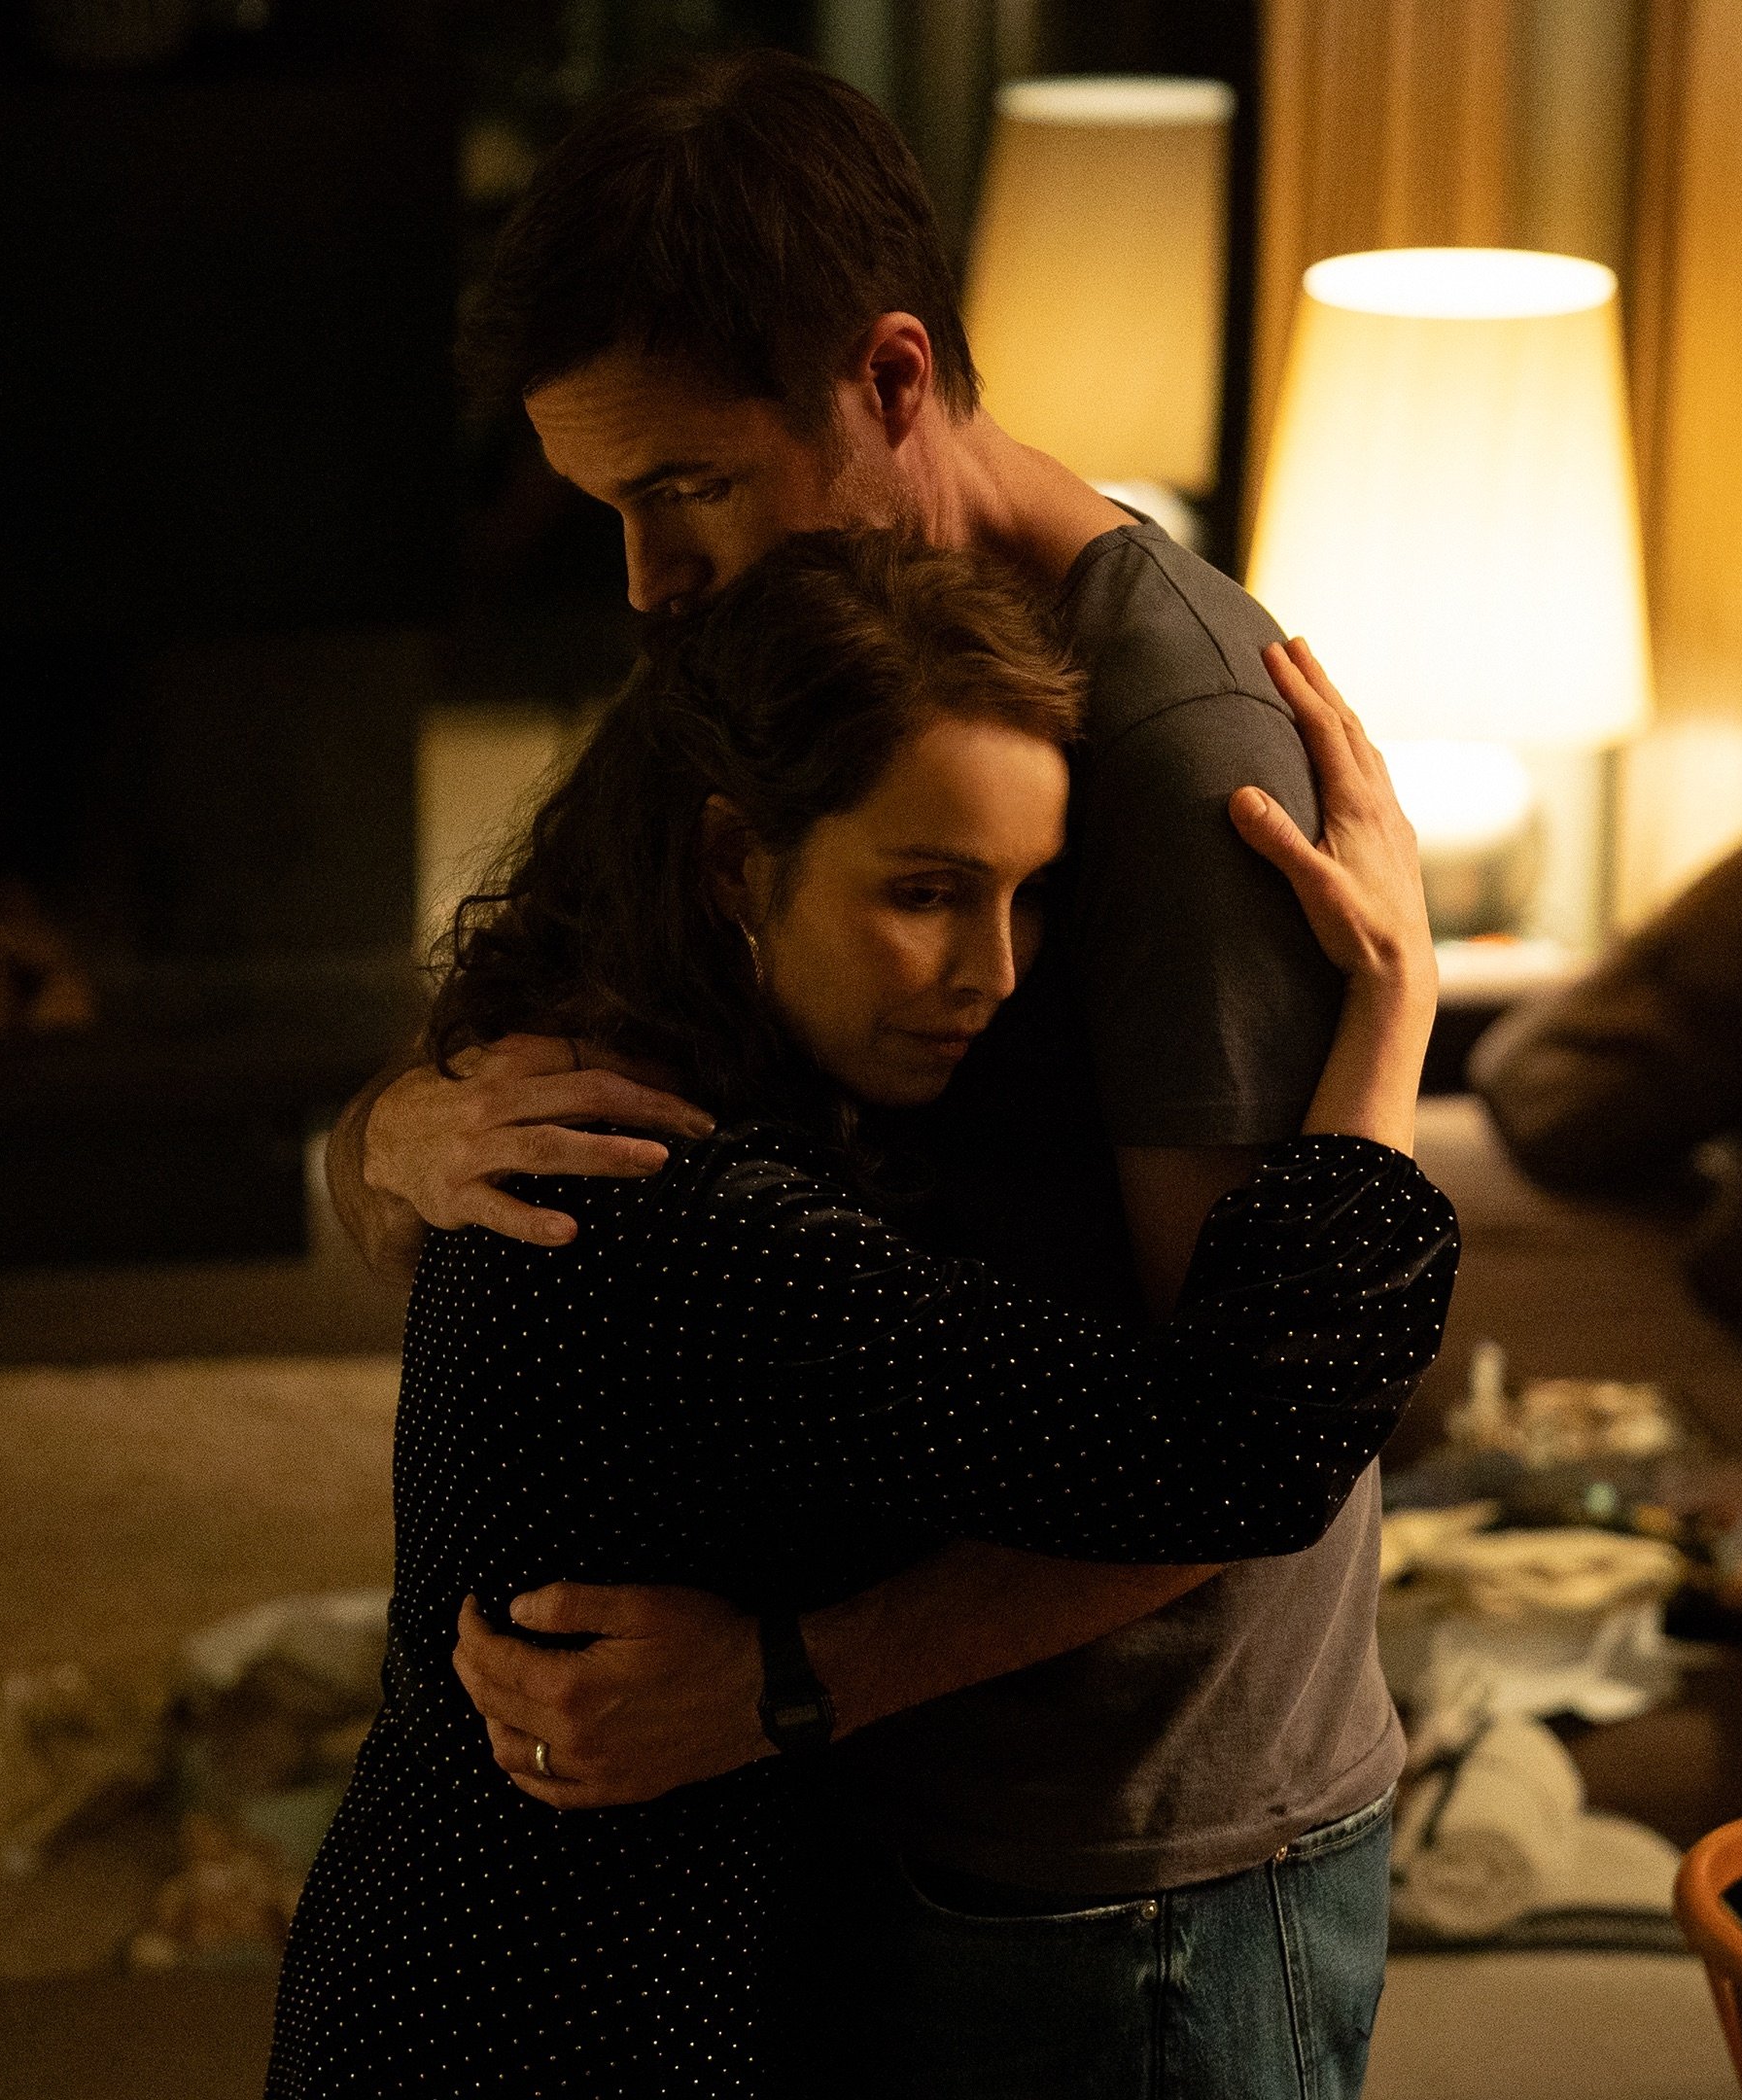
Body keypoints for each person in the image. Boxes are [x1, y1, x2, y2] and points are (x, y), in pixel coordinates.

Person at [326, 50, 1403, 2099]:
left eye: (684, 487)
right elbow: (493, 1051)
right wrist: (396, 1137)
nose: (644, 580)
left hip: (1117, 1872)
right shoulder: (792, 658)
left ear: (892, 379)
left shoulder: (1178, 755)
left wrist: (787, 1688)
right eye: (609, 508)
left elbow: (1256, 1429)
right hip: (853, 1813)